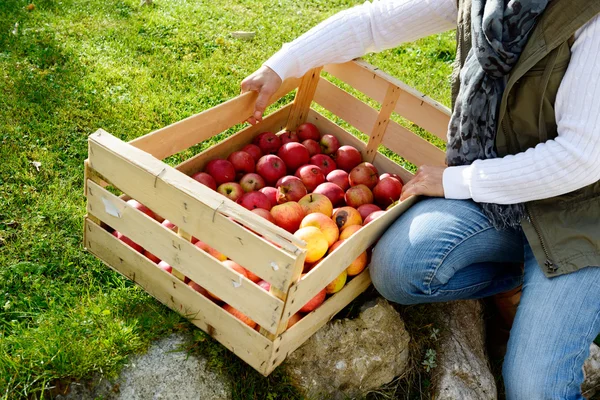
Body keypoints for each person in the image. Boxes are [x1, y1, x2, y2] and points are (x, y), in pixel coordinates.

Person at [240, 0, 600, 398]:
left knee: (535, 389)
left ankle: (548, 297)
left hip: (581, 216)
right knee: (399, 268)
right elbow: (377, 23)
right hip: (504, 201)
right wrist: (283, 63)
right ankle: (519, 281)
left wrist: (459, 181)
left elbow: (582, 158)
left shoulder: (590, 18)